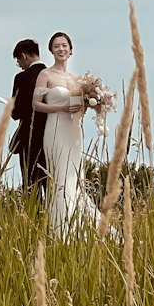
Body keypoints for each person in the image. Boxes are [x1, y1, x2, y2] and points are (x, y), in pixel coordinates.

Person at [31, 31, 95, 233]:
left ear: (70, 50)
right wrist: (60, 109)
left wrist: (92, 105)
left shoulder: (77, 79)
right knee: (59, 176)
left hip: (74, 132)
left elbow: (81, 107)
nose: (61, 49)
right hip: (56, 127)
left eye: (64, 45)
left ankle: (77, 227)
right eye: (57, 46)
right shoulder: (46, 75)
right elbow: (36, 105)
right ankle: (60, 229)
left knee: (75, 177)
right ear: (51, 50)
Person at [9, 39, 46, 193]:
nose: (20, 66)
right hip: (52, 136)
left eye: (18, 61)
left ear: (23, 56)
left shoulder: (22, 78)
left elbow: (15, 113)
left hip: (29, 138)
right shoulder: (53, 74)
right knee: (51, 183)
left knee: (31, 185)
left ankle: (35, 217)